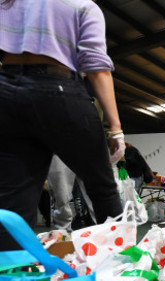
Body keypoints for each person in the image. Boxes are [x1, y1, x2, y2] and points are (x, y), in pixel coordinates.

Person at [0, 0, 124, 250]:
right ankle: (120, 264)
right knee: (102, 186)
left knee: (12, 199)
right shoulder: (82, 5)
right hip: (58, 89)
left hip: (6, 93)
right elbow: (97, 67)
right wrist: (116, 128)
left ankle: (10, 279)